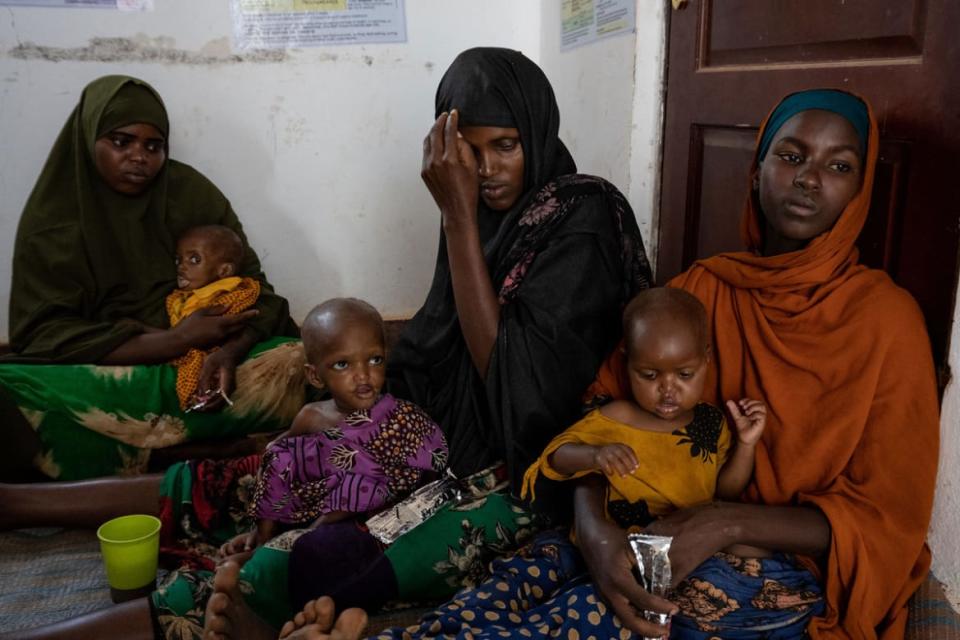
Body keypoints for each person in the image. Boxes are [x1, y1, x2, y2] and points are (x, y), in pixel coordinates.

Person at [0, 48, 652, 640]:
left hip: (528, 471)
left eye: (506, 145)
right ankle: (15, 502)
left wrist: (455, 215)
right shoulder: (484, 209)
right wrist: (356, 426)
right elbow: (434, 345)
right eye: (467, 153)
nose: (484, 171)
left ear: (536, 134)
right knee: (269, 474)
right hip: (447, 431)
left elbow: (522, 397)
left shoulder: (583, 218)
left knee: (295, 564)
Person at [260, 89, 939, 640]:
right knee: (527, 573)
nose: (810, 179)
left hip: (784, 560)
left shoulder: (885, 322)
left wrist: (723, 523)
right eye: (789, 156)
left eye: (839, 165)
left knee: (591, 620)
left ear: (861, 188)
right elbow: (603, 410)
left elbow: (885, 518)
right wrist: (593, 527)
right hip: (652, 519)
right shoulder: (707, 289)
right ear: (757, 167)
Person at [0, 75, 299, 481]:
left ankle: (149, 454)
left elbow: (257, 294)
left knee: (299, 360)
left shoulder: (189, 193)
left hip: (208, 366)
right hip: (108, 372)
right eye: (121, 142)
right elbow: (42, 335)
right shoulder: (52, 221)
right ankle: (197, 451)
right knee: (11, 387)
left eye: (152, 146)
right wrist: (174, 340)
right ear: (88, 139)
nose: (139, 156)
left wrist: (227, 351)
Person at [521, 288, 768, 534]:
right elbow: (556, 458)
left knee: (754, 547)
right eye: (650, 375)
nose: (668, 389)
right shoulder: (618, 417)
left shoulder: (711, 421)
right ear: (627, 361)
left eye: (685, 375)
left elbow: (726, 491)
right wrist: (595, 454)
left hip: (687, 540)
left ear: (706, 359)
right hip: (621, 541)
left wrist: (746, 445)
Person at [225, 298, 447, 563]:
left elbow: (429, 470)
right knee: (278, 457)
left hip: (374, 521)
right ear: (316, 376)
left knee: (359, 482)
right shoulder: (313, 416)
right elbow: (280, 457)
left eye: (375, 360)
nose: (364, 375)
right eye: (343, 365)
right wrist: (262, 521)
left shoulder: (400, 417)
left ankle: (290, 550)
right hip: (318, 506)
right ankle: (262, 542)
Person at [166, 225, 261, 410]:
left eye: (194, 259)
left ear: (224, 271)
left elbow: (235, 322)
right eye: (179, 260)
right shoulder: (181, 297)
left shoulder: (228, 293)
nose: (182, 266)